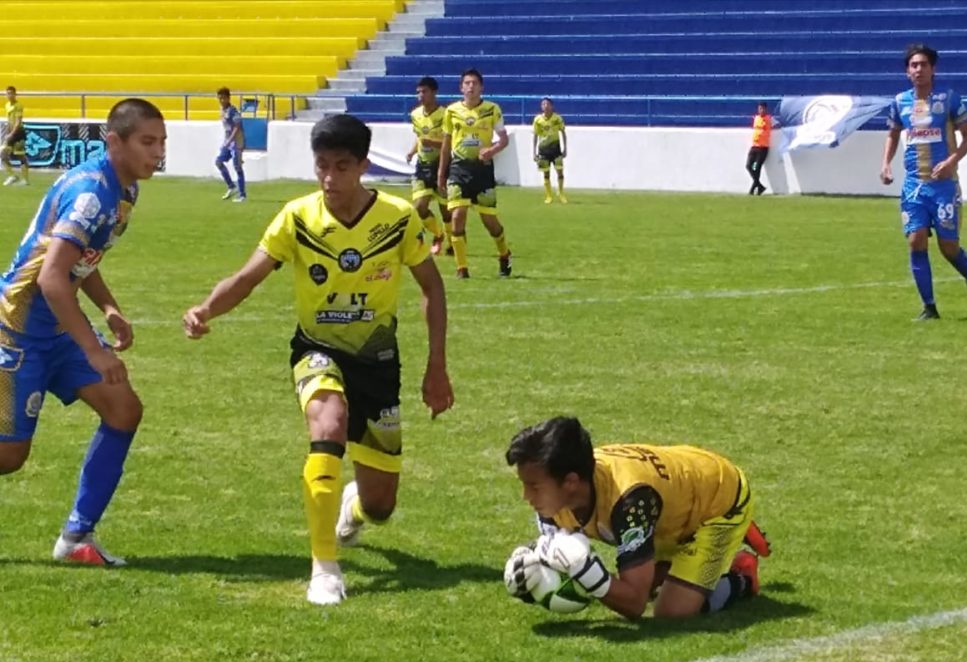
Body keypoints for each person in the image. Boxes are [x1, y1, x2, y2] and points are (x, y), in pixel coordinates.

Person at [182, 114, 454, 606]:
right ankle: (324, 567)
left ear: (363, 166)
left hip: (377, 360)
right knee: (327, 423)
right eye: (321, 166)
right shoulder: (298, 217)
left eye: (342, 167)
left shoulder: (397, 219)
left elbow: (431, 287)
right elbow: (248, 276)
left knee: (381, 506)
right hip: (317, 350)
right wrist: (206, 308)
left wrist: (437, 366)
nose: (329, 179)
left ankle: (351, 507)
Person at [0, 98, 166, 565]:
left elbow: (79, 263)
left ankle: (76, 538)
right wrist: (94, 350)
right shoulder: (92, 193)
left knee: (123, 409)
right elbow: (52, 278)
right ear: (114, 142)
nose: (158, 152)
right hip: (17, 331)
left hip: (56, 328)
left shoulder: (125, 188)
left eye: (162, 141)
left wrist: (109, 307)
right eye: (147, 142)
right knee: (9, 457)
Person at [503, 417, 772, 620]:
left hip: (717, 504)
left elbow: (634, 604)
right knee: (645, 581)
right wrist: (532, 575)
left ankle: (741, 575)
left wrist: (588, 572)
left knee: (671, 612)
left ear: (571, 482)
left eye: (534, 486)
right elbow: (561, 562)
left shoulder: (631, 501)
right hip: (676, 500)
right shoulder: (562, 489)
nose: (526, 496)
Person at [880, 44, 967, 320]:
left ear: (933, 69)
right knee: (916, 241)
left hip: (943, 186)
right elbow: (893, 134)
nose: (918, 70)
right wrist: (886, 164)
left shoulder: (949, 99)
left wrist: (952, 161)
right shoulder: (900, 102)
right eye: (913, 65)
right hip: (914, 186)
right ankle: (929, 308)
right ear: (907, 72)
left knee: (948, 248)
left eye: (923, 64)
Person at [437, 68, 513, 279]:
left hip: (482, 171)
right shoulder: (451, 111)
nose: (471, 87)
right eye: (467, 83)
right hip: (459, 169)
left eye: (474, 83)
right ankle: (462, 268)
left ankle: (504, 253)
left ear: (481, 87)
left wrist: (492, 150)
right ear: (461, 87)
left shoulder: (492, 109)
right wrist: (441, 175)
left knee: (489, 221)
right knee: (458, 215)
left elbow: (504, 139)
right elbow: (445, 145)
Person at [406, 76, 453, 258]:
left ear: (434, 92)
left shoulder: (446, 115)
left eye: (424, 91)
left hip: (442, 165)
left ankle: (450, 242)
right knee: (419, 207)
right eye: (418, 92)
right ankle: (438, 235)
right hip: (423, 166)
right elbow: (419, 138)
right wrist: (412, 151)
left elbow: (450, 144)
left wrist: (431, 143)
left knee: (445, 210)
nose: (420, 95)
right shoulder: (415, 115)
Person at [532, 97, 567, 204]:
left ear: (552, 106)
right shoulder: (538, 120)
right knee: (546, 174)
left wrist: (565, 148)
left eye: (547, 104)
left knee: (560, 172)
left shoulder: (557, 118)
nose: (545, 106)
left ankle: (561, 193)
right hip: (543, 150)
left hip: (556, 150)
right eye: (543, 104)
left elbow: (563, 133)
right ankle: (548, 196)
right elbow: (535, 135)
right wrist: (534, 152)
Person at [215, 87, 246, 203]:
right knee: (218, 162)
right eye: (219, 98)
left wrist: (230, 141)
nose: (221, 100)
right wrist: (225, 141)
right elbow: (227, 128)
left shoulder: (233, 111)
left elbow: (237, 127)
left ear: (228, 98)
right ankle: (231, 186)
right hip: (228, 141)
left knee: (237, 167)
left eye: (223, 98)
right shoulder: (222, 110)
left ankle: (242, 195)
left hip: (236, 142)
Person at [2, 86, 30, 187]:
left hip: (18, 133)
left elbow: (18, 122)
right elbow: (9, 121)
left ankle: (25, 180)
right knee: (3, 154)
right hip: (11, 133)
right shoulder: (7, 105)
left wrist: (11, 134)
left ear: (15, 94)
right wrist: (7, 133)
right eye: (7, 93)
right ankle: (12, 176)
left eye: (11, 93)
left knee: (20, 156)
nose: (9, 95)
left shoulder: (18, 105)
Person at [746, 102, 771, 195]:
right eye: (760, 108)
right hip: (754, 147)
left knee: (756, 167)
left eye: (763, 109)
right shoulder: (756, 118)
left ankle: (754, 188)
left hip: (762, 148)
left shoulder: (768, 119)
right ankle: (759, 185)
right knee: (749, 166)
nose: (761, 110)